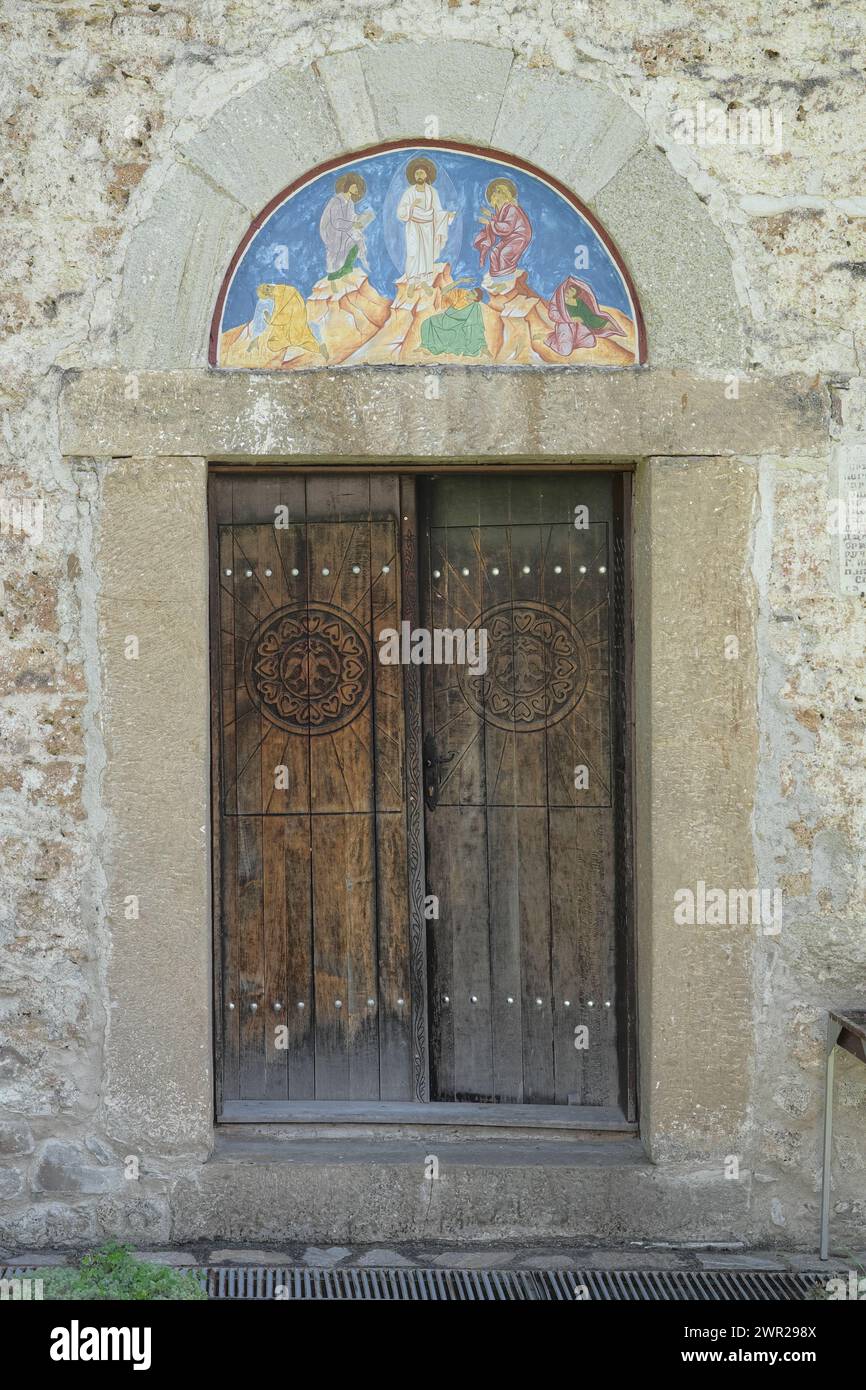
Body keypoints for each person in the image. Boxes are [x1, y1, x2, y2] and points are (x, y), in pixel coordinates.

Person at [396, 157, 455, 287]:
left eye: (421, 173)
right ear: (413, 176)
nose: (419, 175)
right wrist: (411, 206)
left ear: (427, 174)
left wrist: (446, 215)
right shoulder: (409, 192)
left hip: (428, 227)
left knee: (427, 254)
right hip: (414, 226)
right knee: (413, 253)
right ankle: (411, 282)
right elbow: (400, 212)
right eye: (417, 173)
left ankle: (425, 282)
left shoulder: (432, 192)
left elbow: (437, 211)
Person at [544, 276, 624, 355]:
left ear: (575, 294)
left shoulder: (579, 302)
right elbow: (552, 314)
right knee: (565, 351)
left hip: (579, 329)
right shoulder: (559, 300)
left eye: (572, 291)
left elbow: (588, 315)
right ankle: (550, 340)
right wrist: (570, 319)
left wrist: (601, 322)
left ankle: (571, 342)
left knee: (591, 342)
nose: (569, 291)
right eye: (569, 289)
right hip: (565, 327)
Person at [473, 178, 532, 283]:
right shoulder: (502, 210)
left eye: (499, 192)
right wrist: (490, 215)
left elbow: (507, 227)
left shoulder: (512, 208)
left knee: (504, 254)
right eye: (494, 192)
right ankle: (497, 280)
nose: (496, 194)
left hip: (519, 236)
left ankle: (505, 282)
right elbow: (500, 221)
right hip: (509, 237)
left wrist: (489, 223)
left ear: (507, 195)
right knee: (494, 253)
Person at [319, 172, 371, 280]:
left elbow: (351, 217)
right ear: (348, 186)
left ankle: (346, 270)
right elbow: (336, 222)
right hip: (332, 232)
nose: (357, 189)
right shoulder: (337, 200)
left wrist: (362, 219)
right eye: (354, 186)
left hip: (344, 230)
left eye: (357, 187)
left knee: (357, 241)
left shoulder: (350, 202)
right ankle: (334, 277)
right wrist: (352, 224)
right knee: (337, 253)